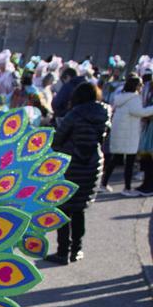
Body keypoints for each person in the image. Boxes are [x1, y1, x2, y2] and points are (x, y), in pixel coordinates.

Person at [49, 82, 110, 264]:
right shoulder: (104, 113)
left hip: (71, 164)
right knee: (79, 209)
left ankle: (62, 252)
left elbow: (58, 137)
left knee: (64, 208)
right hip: (93, 164)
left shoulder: (74, 114)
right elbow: (103, 138)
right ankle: (77, 250)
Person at [102, 74, 153, 195]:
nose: (142, 87)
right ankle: (127, 188)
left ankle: (103, 184)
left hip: (120, 133)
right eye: (140, 85)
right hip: (129, 135)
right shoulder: (134, 98)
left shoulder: (121, 97)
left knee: (115, 159)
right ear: (136, 86)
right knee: (129, 162)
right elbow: (140, 112)